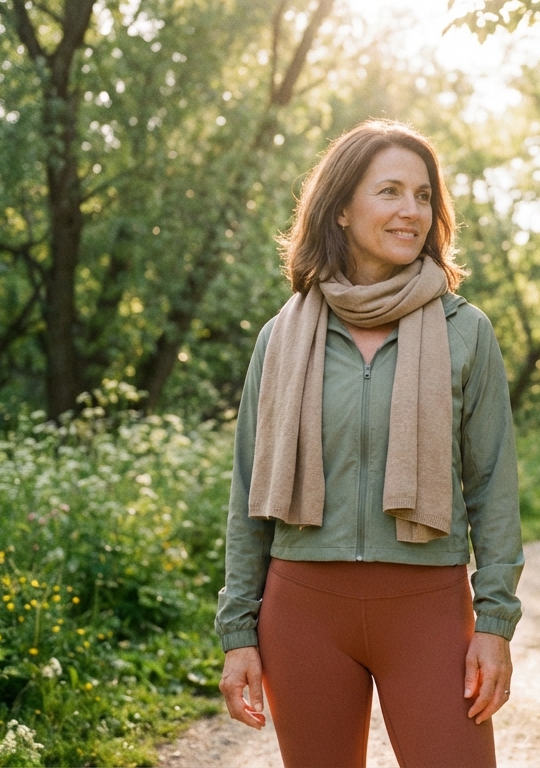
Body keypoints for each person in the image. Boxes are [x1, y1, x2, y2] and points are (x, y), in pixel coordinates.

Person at [214, 118, 524, 768]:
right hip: (302, 609)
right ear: (343, 210)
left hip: (428, 608)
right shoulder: (281, 337)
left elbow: (493, 484)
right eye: (390, 192)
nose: (411, 211)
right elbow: (248, 492)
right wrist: (237, 633)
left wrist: (494, 623)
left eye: (423, 196)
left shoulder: (466, 332)